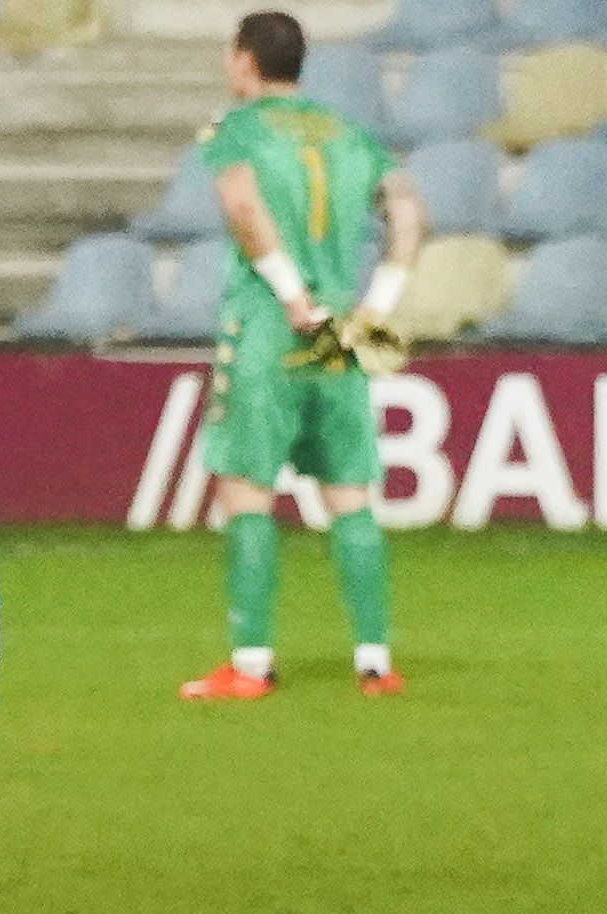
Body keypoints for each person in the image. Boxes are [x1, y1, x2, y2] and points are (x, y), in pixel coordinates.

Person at [179, 10, 424, 701]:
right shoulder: (350, 133)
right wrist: (381, 300)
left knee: (245, 491)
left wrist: (288, 292)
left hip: (267, 327)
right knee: (349, 493)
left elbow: (241, 204)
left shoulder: (236, 131)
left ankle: (250, 664)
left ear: (243, 60)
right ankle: (374, 660)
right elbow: (406, 212)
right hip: (341, 333)